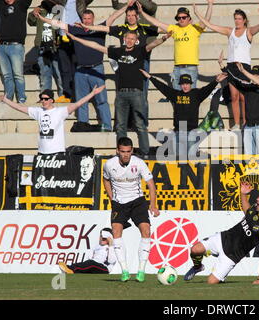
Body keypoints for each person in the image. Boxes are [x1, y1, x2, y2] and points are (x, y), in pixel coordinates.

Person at [67, 30, 170, 156]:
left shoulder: (140, 51)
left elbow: (153, 44)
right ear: (124, 39)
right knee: (121, 127)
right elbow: (96, 46)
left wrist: (164, 38)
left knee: (140, 125)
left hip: (137, 93)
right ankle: (121, 152)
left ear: (136, 40)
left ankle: (145, 153)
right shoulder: (117, 52)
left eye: (133, 38)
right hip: (121, 94)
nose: (130, 40)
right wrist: (75, 38)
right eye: (128, 38)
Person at [78, 0, 160, 127]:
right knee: (123, 96)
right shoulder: (122, 29)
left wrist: (175, 29)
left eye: (133, 15)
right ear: (126, 17)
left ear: (137, 16)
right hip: (125, 66)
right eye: (128, 15)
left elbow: (163, 29)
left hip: (141, 65)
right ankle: (125, 124)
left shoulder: (144, 28)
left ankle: (141, 124)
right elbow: (104, 28)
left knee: (141, 96)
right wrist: (90, 27)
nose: (131, 18)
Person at [37, 9, 115, 132]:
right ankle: (83, 125)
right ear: (81, 20)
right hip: (81, 70)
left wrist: (127, 5)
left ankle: (107, 126)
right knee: (81, 101)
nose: (87, 21)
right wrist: (42, 19)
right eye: (85, 19)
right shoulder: (76, 29)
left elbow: (113, 17)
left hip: (96, 68)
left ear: (93, 19)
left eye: (89, 18)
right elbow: (57, 23)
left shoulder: (100, 29)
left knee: (102, 101)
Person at [184, 181, 259, 284]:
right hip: (223, 238)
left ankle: (221, 276)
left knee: (211, 282)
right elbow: (247, 211)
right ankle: (197, 267)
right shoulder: (256, 208)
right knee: (195, 250)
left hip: (232, 256)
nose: (257, 199)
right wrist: (243, 194)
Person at [194, 4, 259, 130]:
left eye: (239, 18)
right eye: (235, 18)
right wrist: (197, 13)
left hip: (243, 67)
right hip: (231, 67)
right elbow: (211, 26)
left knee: (244, 97)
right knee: (234, 96)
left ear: (244, 20)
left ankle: (245, 122)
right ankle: (237, 124)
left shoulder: (248, 32)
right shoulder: (230, 31)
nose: (237, 21)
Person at [103, 137, 160, 282]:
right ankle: (124, 271)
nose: (125, 154)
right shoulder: (109, 164)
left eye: (128, 151)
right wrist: (112, 199)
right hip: (119, 203)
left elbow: (151, 184)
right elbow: (105, 179)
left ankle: (141, 270)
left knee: (146, 230)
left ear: (132, 151)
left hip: (137, 201)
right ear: (117, 151)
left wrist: (153, 205)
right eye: (122, 151)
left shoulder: (139, 163)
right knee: (116, 231)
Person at [140, 69, 227, 156]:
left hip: (191, 132)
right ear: (180, 85)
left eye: (187, 84)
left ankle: (196, 152)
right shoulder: (175, 95)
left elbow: (207, 89)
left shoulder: (197, 94)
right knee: (177, 155)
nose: (185, 86)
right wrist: (150, 77)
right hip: (178, 131)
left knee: (189, 154)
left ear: (190, 84)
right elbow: (163, 87)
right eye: (183, 84)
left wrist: (216, 81)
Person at [0, 86, 105, 155]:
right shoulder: (38, 111)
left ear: (51, 100)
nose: (43, 101)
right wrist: (6, 100)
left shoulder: (60, 111)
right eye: (42, 99)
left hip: (56, 152)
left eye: (46, 99)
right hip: (41, 152)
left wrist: (92, 93)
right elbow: (19, 108)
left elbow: (78, 104)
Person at [138, 0, 214, 90]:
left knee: (190, 98)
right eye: (179, 18)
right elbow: (157, 23)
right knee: (177, 98)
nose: (181, 19)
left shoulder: (195, 28)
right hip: (177, 68)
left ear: (189, 18)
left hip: (190, 68)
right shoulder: (174, 28)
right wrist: (142, 12)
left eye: (184, 17)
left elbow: (206, 20)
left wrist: (210, 4)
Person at [50, 0, 95, 103]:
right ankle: (67, 94)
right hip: (62, 37)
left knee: (77, 68)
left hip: (76, 37)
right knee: (64, 68)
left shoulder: (81, 1)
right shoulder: (61, 1)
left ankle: (78, 94)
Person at [236, 53, 259, 155]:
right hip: (248, 126)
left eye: (257, 75)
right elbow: (234, 80)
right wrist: (223, 66)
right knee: (248, 158)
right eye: (253, 75)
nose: (255, 77)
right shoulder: (247, 88)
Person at [0, 0, 32, 104]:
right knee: (6, 76)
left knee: (18, 74)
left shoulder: (21, 4)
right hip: (2, 46)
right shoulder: (1, 4)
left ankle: (21, 98)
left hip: (16, 46)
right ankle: (8, 98)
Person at [27, 1, 63, 100]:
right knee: (44, 74)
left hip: (55, 47)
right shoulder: (40, 10)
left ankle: (62, 96)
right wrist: (33, 12)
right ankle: (45, 97)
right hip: (42, 47)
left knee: (59, 73)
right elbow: (31, 21)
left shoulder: (59, 10)